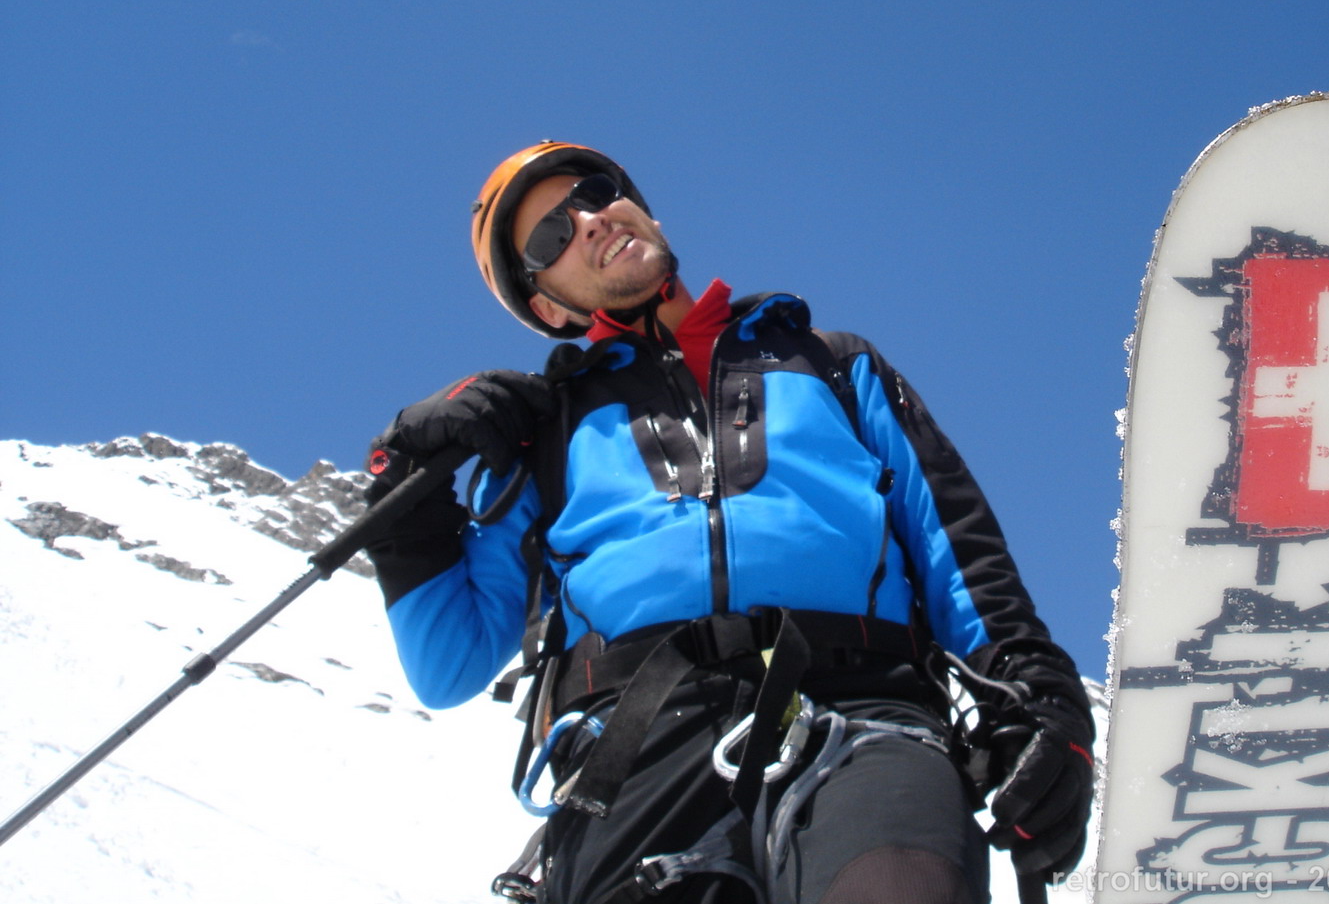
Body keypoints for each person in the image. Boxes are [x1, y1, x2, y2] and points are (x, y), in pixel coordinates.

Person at [361, 141, 1094, 904]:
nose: (586, 218)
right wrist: (406, 475)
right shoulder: (545, 431)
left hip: (863, 709)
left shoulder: (832, 365)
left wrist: (1038, 691)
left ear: (640, 204)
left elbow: (957, 550)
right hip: (634, 749)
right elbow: (448, 659)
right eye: (549, 235)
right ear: (548, 305)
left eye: (595, 190)